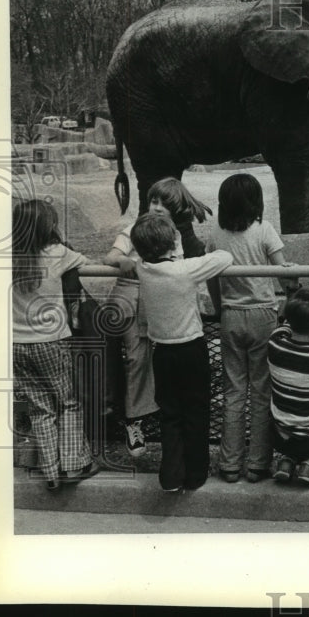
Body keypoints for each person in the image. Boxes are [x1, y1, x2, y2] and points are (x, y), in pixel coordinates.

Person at [102, 177, 208, 457]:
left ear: (176, 209)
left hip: (155, 302)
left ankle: (145, 414)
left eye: (164, 203)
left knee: (151, 360)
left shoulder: (175, 235)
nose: (157, 207)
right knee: (136, 359)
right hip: (129, 297)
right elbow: (110, 256)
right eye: (154, 201)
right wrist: (124, 261)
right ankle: (132, 420)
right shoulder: (135, 229)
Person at [131, 213, 233, 492]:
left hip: (161, 351)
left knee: (171, 413)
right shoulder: (186, 269)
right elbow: (224, 257)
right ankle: (195, 474)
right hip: (191, 349)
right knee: (196, 411)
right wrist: (181, 253)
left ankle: (171, 474)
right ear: (173, 244)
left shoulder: (142, 269)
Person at [208, 173, 295, 484]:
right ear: (256, 202)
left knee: (233, 392)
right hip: (262, 316)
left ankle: (229, 463)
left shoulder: (216, 234)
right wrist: (294, 285)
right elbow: (283, 271)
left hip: (231, 315)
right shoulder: (264, 230)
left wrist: (219, 309)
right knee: (261, 392)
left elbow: (210, 276)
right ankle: (258, 463)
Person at [11, 200, 100, 491]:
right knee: (67, 402)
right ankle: (74, 464)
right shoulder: (57, 253)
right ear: (48, 227)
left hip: (17, 344)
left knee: (40, 409)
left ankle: (50, 471)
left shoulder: (8, 256)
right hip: (51, 341)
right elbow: (86, 262)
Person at [267, 287, 309, 486]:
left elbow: (282, 326)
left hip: (278, 433)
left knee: (293, 408)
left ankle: (287, 462)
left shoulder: (275, 344)